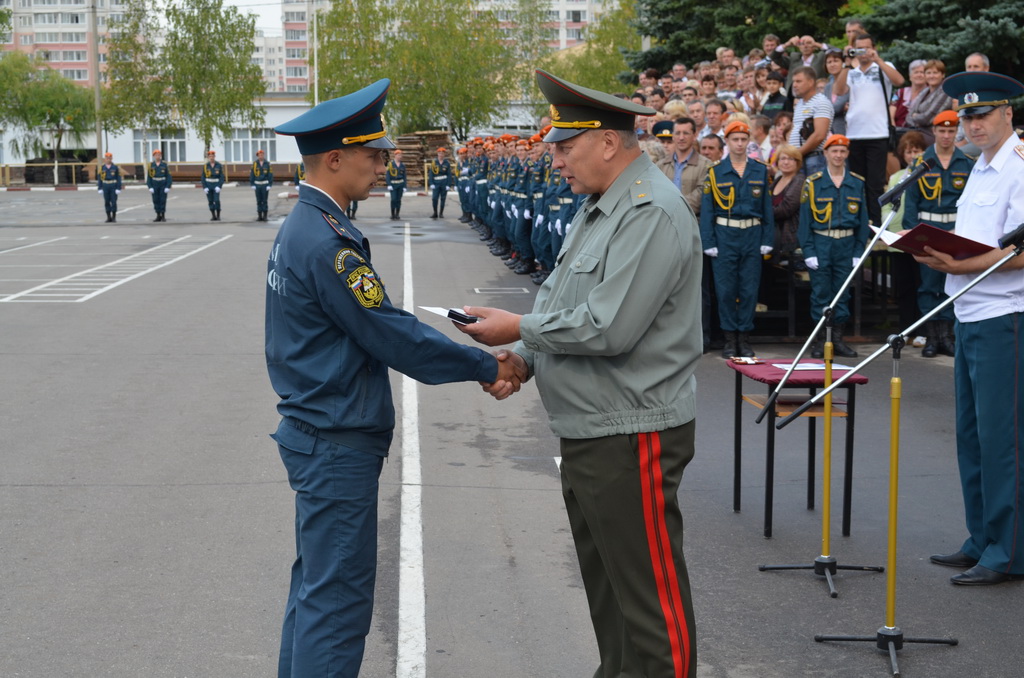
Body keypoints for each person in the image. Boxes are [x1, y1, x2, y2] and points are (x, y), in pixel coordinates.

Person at [266, 78, 522, 677]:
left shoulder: (305, 226)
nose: (384, 165)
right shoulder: (327, 244)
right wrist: (485, 364)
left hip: (318, 430)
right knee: (336, 604)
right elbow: (388, 332)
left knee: (315, 591)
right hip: (335, 439)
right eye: (373, 154)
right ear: (335, 159)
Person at [457, 69, 700, 678]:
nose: (556, 160)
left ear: (609, 142)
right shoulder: (602, 208)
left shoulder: (649, 211)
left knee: (650, 606)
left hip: (631, 432)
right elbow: (563, 304)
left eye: (565, 146)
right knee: (612, 600)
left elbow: (608, 326)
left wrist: (517, 329)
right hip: (596, 429)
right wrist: (525, 358)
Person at [916, 71, 1024, 586]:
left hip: (1005, 317)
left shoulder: (1019, 167)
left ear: (1008, 113)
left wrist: (961, 266)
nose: (973, 125)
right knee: (973, 436)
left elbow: (1020, 251)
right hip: (969, 311)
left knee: (1004, 440)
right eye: (967, 117)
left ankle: (1009, 552)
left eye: (982, 115)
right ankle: (982, 538)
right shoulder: (980, 166)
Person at [902, 110, 975, 357]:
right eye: (942, 131)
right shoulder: (921, 163)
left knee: (952, 283)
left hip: (955, 230)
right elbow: (911, 202)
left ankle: (947, 337)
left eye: (951, 131)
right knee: (928, 286)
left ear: (956, 132)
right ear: (934, 131)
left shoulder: (967, 163)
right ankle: (932, 337)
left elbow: (971, 203)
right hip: (928, 231)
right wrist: (913, 235)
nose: (946, 135)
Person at [700, 120, 774, 358]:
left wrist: (767, 238)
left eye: (743, 139)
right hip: (725, 235)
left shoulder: (759, 170)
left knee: (749, 289)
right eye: (735, 139)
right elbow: (708, 211)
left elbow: (767, 208)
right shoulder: (715, 172)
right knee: (725, 290)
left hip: (752, 234)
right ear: (727, 142)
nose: (740, 144)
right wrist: (708, 241)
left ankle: (744, 337)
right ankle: (730, 338)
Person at [797, 134, 867, 358]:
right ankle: (821, 340)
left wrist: (858, 251)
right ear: (825, 154)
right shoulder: (813, 183)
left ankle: (837, 339)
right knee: (821, 294)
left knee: (842, 294)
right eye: (834, 151)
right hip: (821, 243)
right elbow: (805, 222)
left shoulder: (857, 183)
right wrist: (809, 251)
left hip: (846, 244)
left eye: (842, 151)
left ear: (847, 154)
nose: (838, 155)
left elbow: (863, 222)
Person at [831, 32, 905, 228]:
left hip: (877, 133)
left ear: (873, 48)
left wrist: (877, 60)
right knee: (857, 181)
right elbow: (838, 91)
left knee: (875, 182)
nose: (862, 52)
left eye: (866, 47)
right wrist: (847, 63)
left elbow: (899, 81)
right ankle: (859, 222)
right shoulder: (851, 72)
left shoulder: (883, 66)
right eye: (859, 48)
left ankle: (876, 224)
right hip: (854, 133)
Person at [788, 66, 833, 175]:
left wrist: (797, 153)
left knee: (813, 186)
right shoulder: (800, 103)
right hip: (800, 158)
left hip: (814, 158)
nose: (794, 85)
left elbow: (819, 135)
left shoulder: (821, 102)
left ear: (811, 82)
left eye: (798, 81)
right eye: (794, 81)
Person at [770, 143, 805, 263]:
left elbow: (785, 209)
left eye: (791, 159)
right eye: (782, 158)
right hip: (774, 237)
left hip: (790, 240)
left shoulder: (799, 181)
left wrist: (763, 211)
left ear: (798, 162)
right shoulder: (778, 180)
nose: (786, 162)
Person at [904, 60, 954, 142]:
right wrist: (916, 119)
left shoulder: (945, 91)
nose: (932, 76)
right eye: (928, 73)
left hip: (935, 134)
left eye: (935, 73)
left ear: (942, 75)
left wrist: (915, 117)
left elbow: (927, 118)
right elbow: (908, 116)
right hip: (919, 131)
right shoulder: (924, 91)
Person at [146, 149, 172, 223]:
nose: (158, 156)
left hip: (162, 184)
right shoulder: (151, 165)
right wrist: (150, 186)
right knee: (155, 200)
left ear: (161, 156)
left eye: (159, 155)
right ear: (154, 156)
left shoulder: (164, 165)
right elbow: (149, 177)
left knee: (162, 200)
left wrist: (168, 186)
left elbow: (168, 176)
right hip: (155, 184)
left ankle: (163, 215)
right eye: (156, 155)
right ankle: (158, 215)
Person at [97, 152, 122, 223]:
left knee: (113, 202)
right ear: (105, 159)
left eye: (110, 158)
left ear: (111, 158)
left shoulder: (115, 167)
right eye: (107, 158)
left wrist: (118, 188)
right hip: (105, 185)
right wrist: (100, 188)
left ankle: (114, 217)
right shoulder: (102, 168)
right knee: (107, 201)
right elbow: (99, 178)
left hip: (113, 185)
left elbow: (119, 178)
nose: (108, 159)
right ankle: (108, 217)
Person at [249, 149, 274, 222]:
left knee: (265, 200)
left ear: (263, 155)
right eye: (259, 155)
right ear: (258, 156)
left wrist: (269, 184)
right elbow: (252, 174)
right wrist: (252, 184)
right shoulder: (255, 164)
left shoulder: (267, 164)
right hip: (257, 184)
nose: (261, 156)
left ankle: (265, 216)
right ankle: (259, 216)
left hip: (265, 184)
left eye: (262, 155)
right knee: (259, 200)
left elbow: (270, 175)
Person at [428, 146, 451, 219]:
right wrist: (431, 183)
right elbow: (431, 174)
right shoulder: (434, 162)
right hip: (436, 182)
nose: (441, 155)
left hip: (444, 182)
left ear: (444, 154)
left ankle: (441, 213)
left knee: (443, 198)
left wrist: (448, 184)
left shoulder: (447, 163)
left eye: (442, 153)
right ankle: (435, 212)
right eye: (440, 153)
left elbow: (449, 174)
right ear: (437, 154)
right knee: (434, 198)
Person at [202, 150, 225, 221]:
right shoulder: (205, 166)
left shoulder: (219, 165)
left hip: (216, 185)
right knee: (210, 201)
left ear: (214, 157)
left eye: (212, 156)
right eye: (210, 156)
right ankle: (213, 215)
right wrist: (204, 187)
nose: (211, 158)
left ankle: (218, 215)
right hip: (208, 185)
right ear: (208, 157)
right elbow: (203, 177)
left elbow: (222, 177)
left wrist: (219, 186)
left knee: (217, 200)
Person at [385, 148, 406, 220]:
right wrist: (389, 184)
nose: (400, 156)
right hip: (393, 185)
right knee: (393, 199)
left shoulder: (402, 165)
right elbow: (388, 175)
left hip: (400, 184)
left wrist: (405, 186)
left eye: (401, 155)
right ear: (395, 155)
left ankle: (397, 214)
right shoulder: (391, 164)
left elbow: (404, 176)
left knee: (398, 200)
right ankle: (392, 214)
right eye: (399, 155)